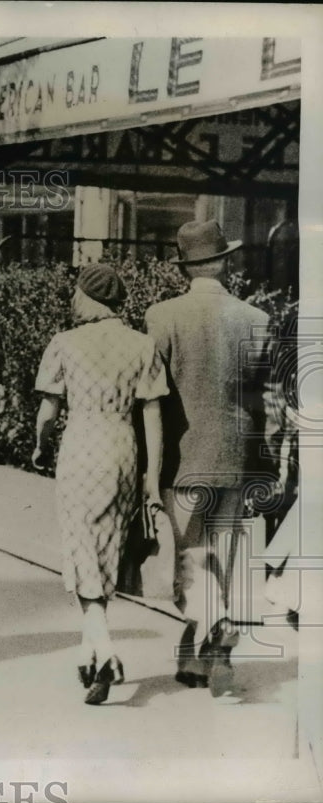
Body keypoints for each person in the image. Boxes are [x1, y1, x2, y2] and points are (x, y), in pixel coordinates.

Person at [144, 219, 277, 698]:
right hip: (237, 457)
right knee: (224, 554)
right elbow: (264, 398)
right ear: (224, 262)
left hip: (184, 458)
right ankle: (205, 655)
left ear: (186, 268)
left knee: (190, 557)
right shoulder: (256, 319)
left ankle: (214, 624)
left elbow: (151, 396)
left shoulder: (161, 317)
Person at [33, 263, 167, 706]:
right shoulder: (142, 345)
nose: (73, 300)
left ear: (89, 297)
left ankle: (105, 649)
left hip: (82, 447)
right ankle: (89, 651)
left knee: (80, 545)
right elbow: (152, 416)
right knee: (104, 546)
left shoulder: (65, 343)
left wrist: (40, 445)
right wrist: (151, 480)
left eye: (76, 292)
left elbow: (49, 411)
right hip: (123, 448)